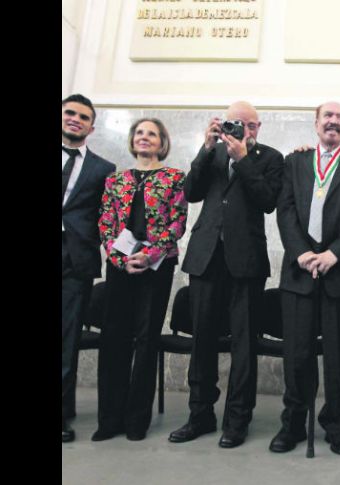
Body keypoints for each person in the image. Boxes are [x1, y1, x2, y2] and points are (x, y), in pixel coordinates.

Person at [168, 101, 284, 449]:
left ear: (258, 128)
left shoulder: (270, 158)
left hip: (245, 261)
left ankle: (237, 420)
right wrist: (206, 149)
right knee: (202, 339)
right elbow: (191, 192)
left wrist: (244, 158)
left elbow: (267, 201)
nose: (242, 130)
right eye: (236, 123)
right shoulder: (213, 153)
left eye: (249, 125)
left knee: (243, 344)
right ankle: (200, 414)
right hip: (206, 257)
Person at [269, 101, 340, 456]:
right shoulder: (295, 161)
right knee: (296, 356)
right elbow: (284, 210)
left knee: (337, 357)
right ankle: (293, 425)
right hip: (298, 272)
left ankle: (337, 426)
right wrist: (301, 252)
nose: (333, 122)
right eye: (327, 117)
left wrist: (334, 254)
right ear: (316, 123)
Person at [94, 118, 188, 441]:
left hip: (157, 267)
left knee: (147, 339)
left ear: (162, 142)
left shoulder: (174, 178)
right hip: (120, 267)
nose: (144, 138)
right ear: (132, 141)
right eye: (139, 133)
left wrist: (149, 255)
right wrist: (120, 259)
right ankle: (109, 419)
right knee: (114, 337)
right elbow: (105, 222)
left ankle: (136, 421)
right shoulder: (115, 181)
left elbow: (177, 222)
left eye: (152, 133)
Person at [62, 94, 116, 443]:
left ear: (91, 127)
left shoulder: (103, 169)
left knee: (66, 341)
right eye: (69, 112)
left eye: (83, 116)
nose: (75, 119)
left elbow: (107, 217)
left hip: (75, 260)